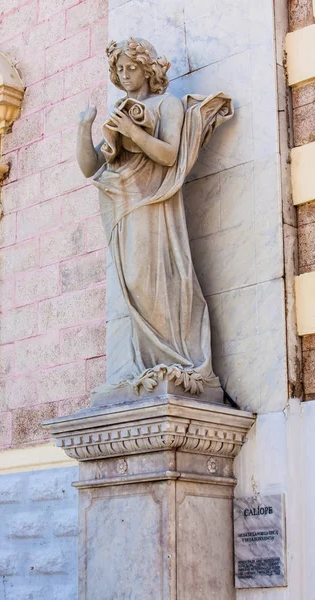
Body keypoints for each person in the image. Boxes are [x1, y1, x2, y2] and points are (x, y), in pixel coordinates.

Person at [76, 37, 233, 396]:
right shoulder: (122, 111)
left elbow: (168, 154)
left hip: (153, 202)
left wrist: (132, 131)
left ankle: (176, 358)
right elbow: (90, 167)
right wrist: (84, 128)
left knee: (149, 279)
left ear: (147, 70)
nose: (125, 75)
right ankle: (148, 364)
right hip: (123, 205)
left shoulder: (167, 105)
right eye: (119, 70)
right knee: (132, 280)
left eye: (132, 67)